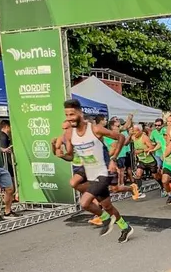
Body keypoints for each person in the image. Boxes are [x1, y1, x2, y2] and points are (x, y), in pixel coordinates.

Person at [58, 100, 133, 243]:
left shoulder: (95, 129)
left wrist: (114, 159)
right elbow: (71, 156)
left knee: (85, 202)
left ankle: (104, 219)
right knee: (107, 206)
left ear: (80, 113)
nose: (69, 118)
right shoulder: (68, 134)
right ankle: (125, 227)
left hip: (102, 171)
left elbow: (121, 137)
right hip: (89, 172)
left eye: (72, 114)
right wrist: (62, 156)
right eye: (67, 115)